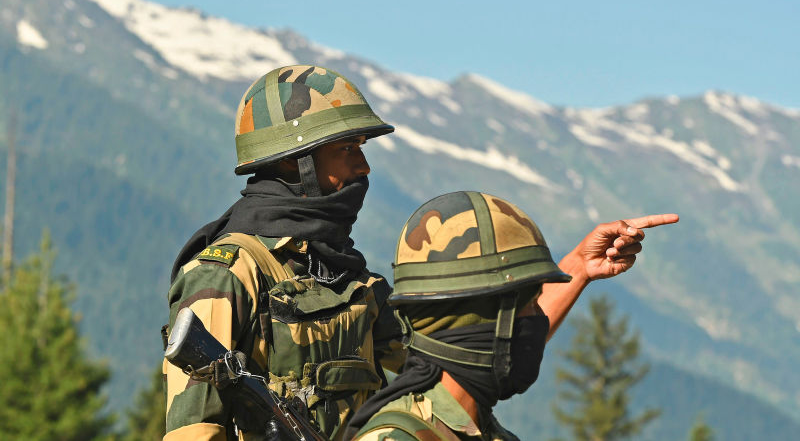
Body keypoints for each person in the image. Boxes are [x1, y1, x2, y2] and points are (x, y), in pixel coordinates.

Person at [163, 65, 407, 441]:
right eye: (347, 149)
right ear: (295, 160)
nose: (364, 166)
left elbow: (429, 369)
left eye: (361, 147)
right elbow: (194, 433)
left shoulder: (344, 272)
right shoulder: (228, 272)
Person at [346, 191, 678, 440]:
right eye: (532, 304)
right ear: (480, 322)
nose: (540, 320)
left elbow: (505, 333)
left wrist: (580, 266)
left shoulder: (475, 428)